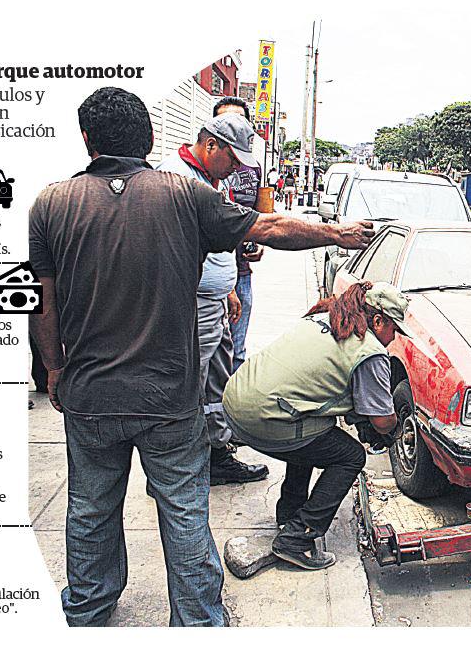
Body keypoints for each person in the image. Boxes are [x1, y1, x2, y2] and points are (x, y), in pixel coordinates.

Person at [29, 86, 374, 626]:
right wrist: (339, 234)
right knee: (184, 512)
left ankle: (89, 609)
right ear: (147, 140)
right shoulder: (182, 196)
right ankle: (197, 622)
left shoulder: (51, 203)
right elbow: (270, 227)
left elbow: (40, 299)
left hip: (91, 395)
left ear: (87, 140)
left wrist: (52, 366)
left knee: (90, 510)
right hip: (169, 396)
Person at [222, 281, 410, 570]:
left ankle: (290, 512)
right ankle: (297, 538)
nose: (393, 338)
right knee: (350, 456)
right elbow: (383, 421)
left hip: (236, 398)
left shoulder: (325, 317)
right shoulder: (369, 350)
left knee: (316, 428)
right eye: (393, 330)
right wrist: (394, 428)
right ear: (377, 320)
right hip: (260, 418)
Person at [157, 113, 268, 486]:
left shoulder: (208, 178)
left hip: (215, 299)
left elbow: (214, 242)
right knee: (190, 384)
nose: (235, 168)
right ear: (210, 146)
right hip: (191, 304)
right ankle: (181, 467)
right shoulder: (176, 177)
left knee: (215, 383)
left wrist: (229, 289)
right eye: (232, 159)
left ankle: (217, 453)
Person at [210, 96, 263, 372]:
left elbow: (263, 213)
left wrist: (260, 243)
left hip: (241, 272)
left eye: (239, 121)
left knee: (237, 351)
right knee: (212, 352)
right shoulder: (202, 173)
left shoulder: (252, 167)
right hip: (213, 279)